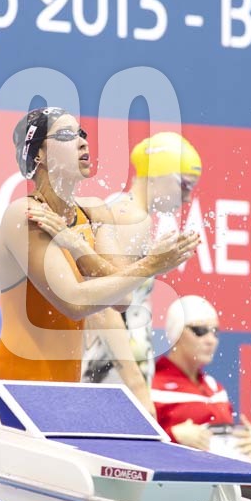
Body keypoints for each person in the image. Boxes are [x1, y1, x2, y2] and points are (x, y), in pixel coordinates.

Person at [0, 107, 200, 417]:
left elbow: (122, 299)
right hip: (16, 392)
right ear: (39, 155)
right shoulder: (27, 215)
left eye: (82, 133)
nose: (83, 142)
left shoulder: (94, 212)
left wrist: (75, 245)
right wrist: (152, 264)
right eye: (66, 135)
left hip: (66, 395)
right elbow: (73, 301)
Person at [81, 132, 201, 388]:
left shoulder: (127, 211)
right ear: (158, 175)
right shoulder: (132, 218)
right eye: (184, 185)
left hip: (112, 375)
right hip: (111, 380)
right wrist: (136, 385)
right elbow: (106, 307)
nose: (188, 197)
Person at [151, 295, 251, 501]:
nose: (211, 340)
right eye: (200, 330)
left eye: (215, 331)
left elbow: (224, 446)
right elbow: (135, 451)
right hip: (199, 491)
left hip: (240, 482)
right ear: (175, 333)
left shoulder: (216, 388)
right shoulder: (152, 386)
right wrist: (172, 438)